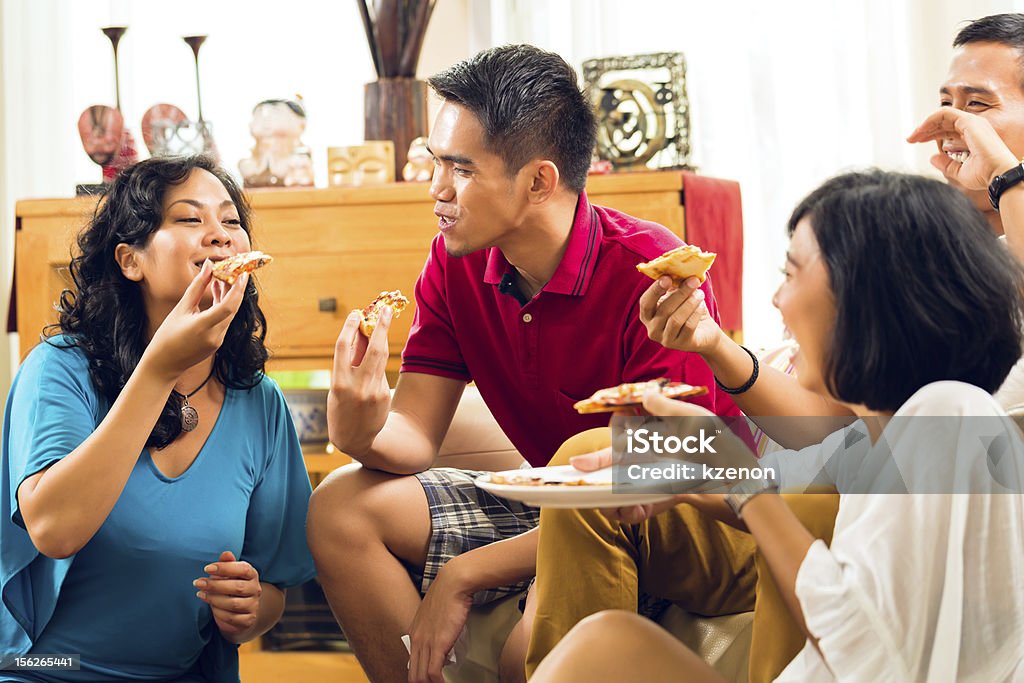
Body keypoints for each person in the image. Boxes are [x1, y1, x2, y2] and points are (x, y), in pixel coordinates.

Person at [306, 44, 747, 683]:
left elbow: (649, 476)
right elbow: (413, 436)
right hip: (559, 497)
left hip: (661, 514)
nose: (436, 190)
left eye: (460, 168)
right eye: (435, 162)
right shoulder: (452, 264)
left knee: (587, 463)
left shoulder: (649, 270)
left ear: (539, 180)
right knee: (339, 507)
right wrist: (355, 424)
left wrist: (467, 573)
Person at [529, 170, 1024, 682]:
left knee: (602, 647)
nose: (777, 301)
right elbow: (772, 487)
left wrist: (733, 471)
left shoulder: (952, 414)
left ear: (865, 298)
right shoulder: (876, 436)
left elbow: (858, 647)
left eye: (792, 274)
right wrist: (683, 476)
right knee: (605, 643)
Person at [0, 155, 316, 681]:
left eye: (231, 221)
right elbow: (54, 529)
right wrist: (158, 372)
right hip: (45, 669)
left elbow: (274, 590)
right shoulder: (59, 370)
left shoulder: (260, 402)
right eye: (191, 220)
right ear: (130, 261)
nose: (219, 236)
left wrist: (247, 610)